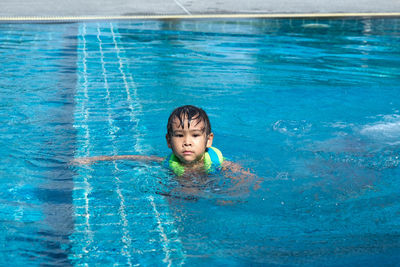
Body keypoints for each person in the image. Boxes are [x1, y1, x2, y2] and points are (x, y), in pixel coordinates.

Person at [74, 105, 255, 179]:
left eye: (195, 135)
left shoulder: (217, 161)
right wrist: (97, 159)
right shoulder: (169, 163)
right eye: (179, 135)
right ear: (168, 141)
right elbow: (136, 158)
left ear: (209, 140)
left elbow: (244, 176)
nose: (187, 142)